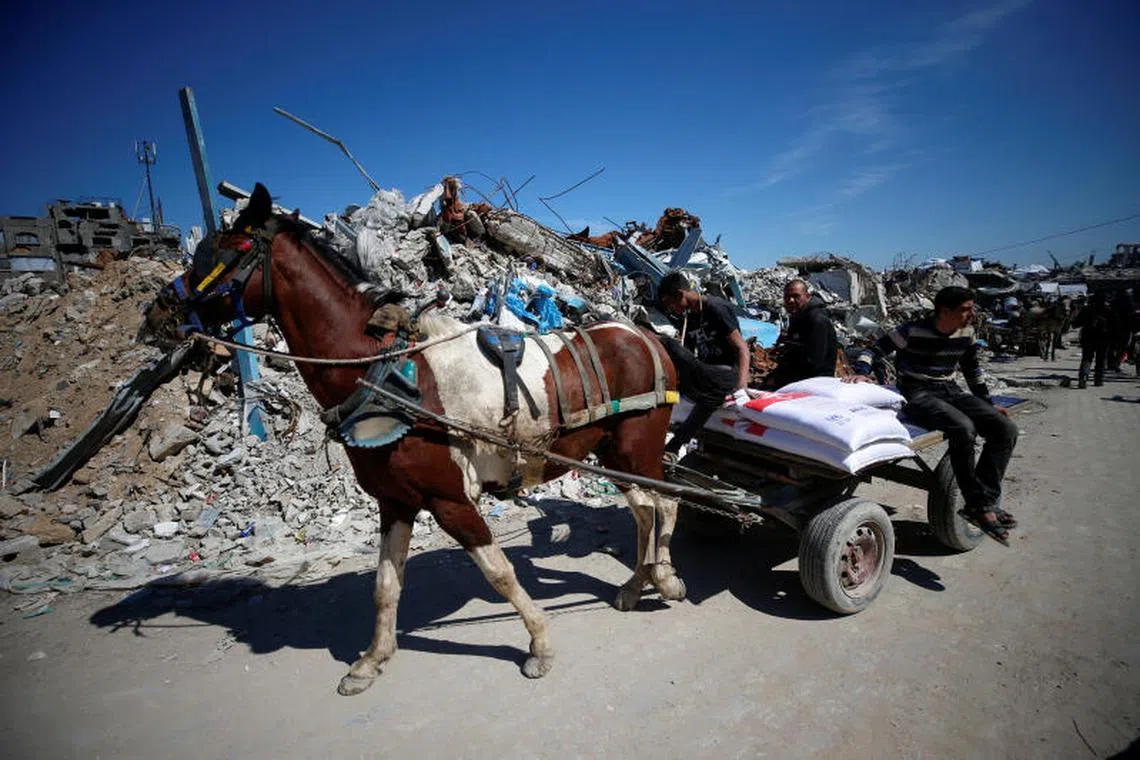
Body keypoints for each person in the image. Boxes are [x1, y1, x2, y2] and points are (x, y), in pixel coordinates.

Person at [848, 286, 1019, 545]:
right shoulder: (911, 330)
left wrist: (987, 403)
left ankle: (985, 500)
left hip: (950, 388)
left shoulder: (967, 332)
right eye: (965, 309)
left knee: (1005, 429)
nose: (971, 314)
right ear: (944, 311)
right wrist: (862, 371)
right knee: (963, 428)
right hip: (917, 392)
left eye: (971, 308)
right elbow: (873, 350)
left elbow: (972, 369)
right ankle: (976, 503)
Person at [656, 271, 751, 457]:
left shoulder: (716, 308)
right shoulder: (690, 318)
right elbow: (690, 357)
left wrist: (741, 387)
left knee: (710, 396)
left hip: (727, 372)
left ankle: (674, 447)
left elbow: (742, 348)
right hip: (707, 370)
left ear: (680, 295)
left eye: (671, 304)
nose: (672, 310)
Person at [764, 279, 839, 389]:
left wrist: (779, 379)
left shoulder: (816, 320)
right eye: (787, 297)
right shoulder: (798, 317)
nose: (791, 300)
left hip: (815, 384)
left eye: (796, 296)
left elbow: (813, 362)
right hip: (797, 380)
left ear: (807, 296)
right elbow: (791, 353)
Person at [1073, 290, 1114, 388]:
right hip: (1103, 339)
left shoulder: (1087, 309)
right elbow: (1115, 325)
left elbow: (1076, 323)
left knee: (1087, 358)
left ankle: (1083, 377)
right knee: (1101, 359)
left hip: (1088, 337)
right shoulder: (1108, 310)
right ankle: (1098, 380)